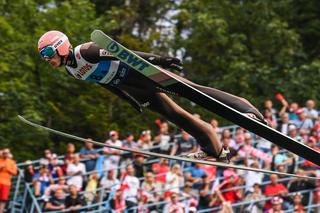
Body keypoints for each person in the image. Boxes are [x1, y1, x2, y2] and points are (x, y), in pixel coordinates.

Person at [38, 30, 266, 162]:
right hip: (133, 88)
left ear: (61, 46)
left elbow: (126, 54)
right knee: (175, 115)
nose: (47, 59)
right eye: (43, 56)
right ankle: (213, 149)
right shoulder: (71, 70)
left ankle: (249, 111)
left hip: (141, 73)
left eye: (48, 52)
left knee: (195, 92)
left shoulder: (85, 51)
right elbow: (103, 82)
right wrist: (128, 98)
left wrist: (159, 60)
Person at [0, 149, 17, 213]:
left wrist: (8, 169)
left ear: (9, 153)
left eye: (7, 153)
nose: (5, 154)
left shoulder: (12, 162)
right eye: (4, 153)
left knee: (3, 199)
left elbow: (15, 173)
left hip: (6, 183)